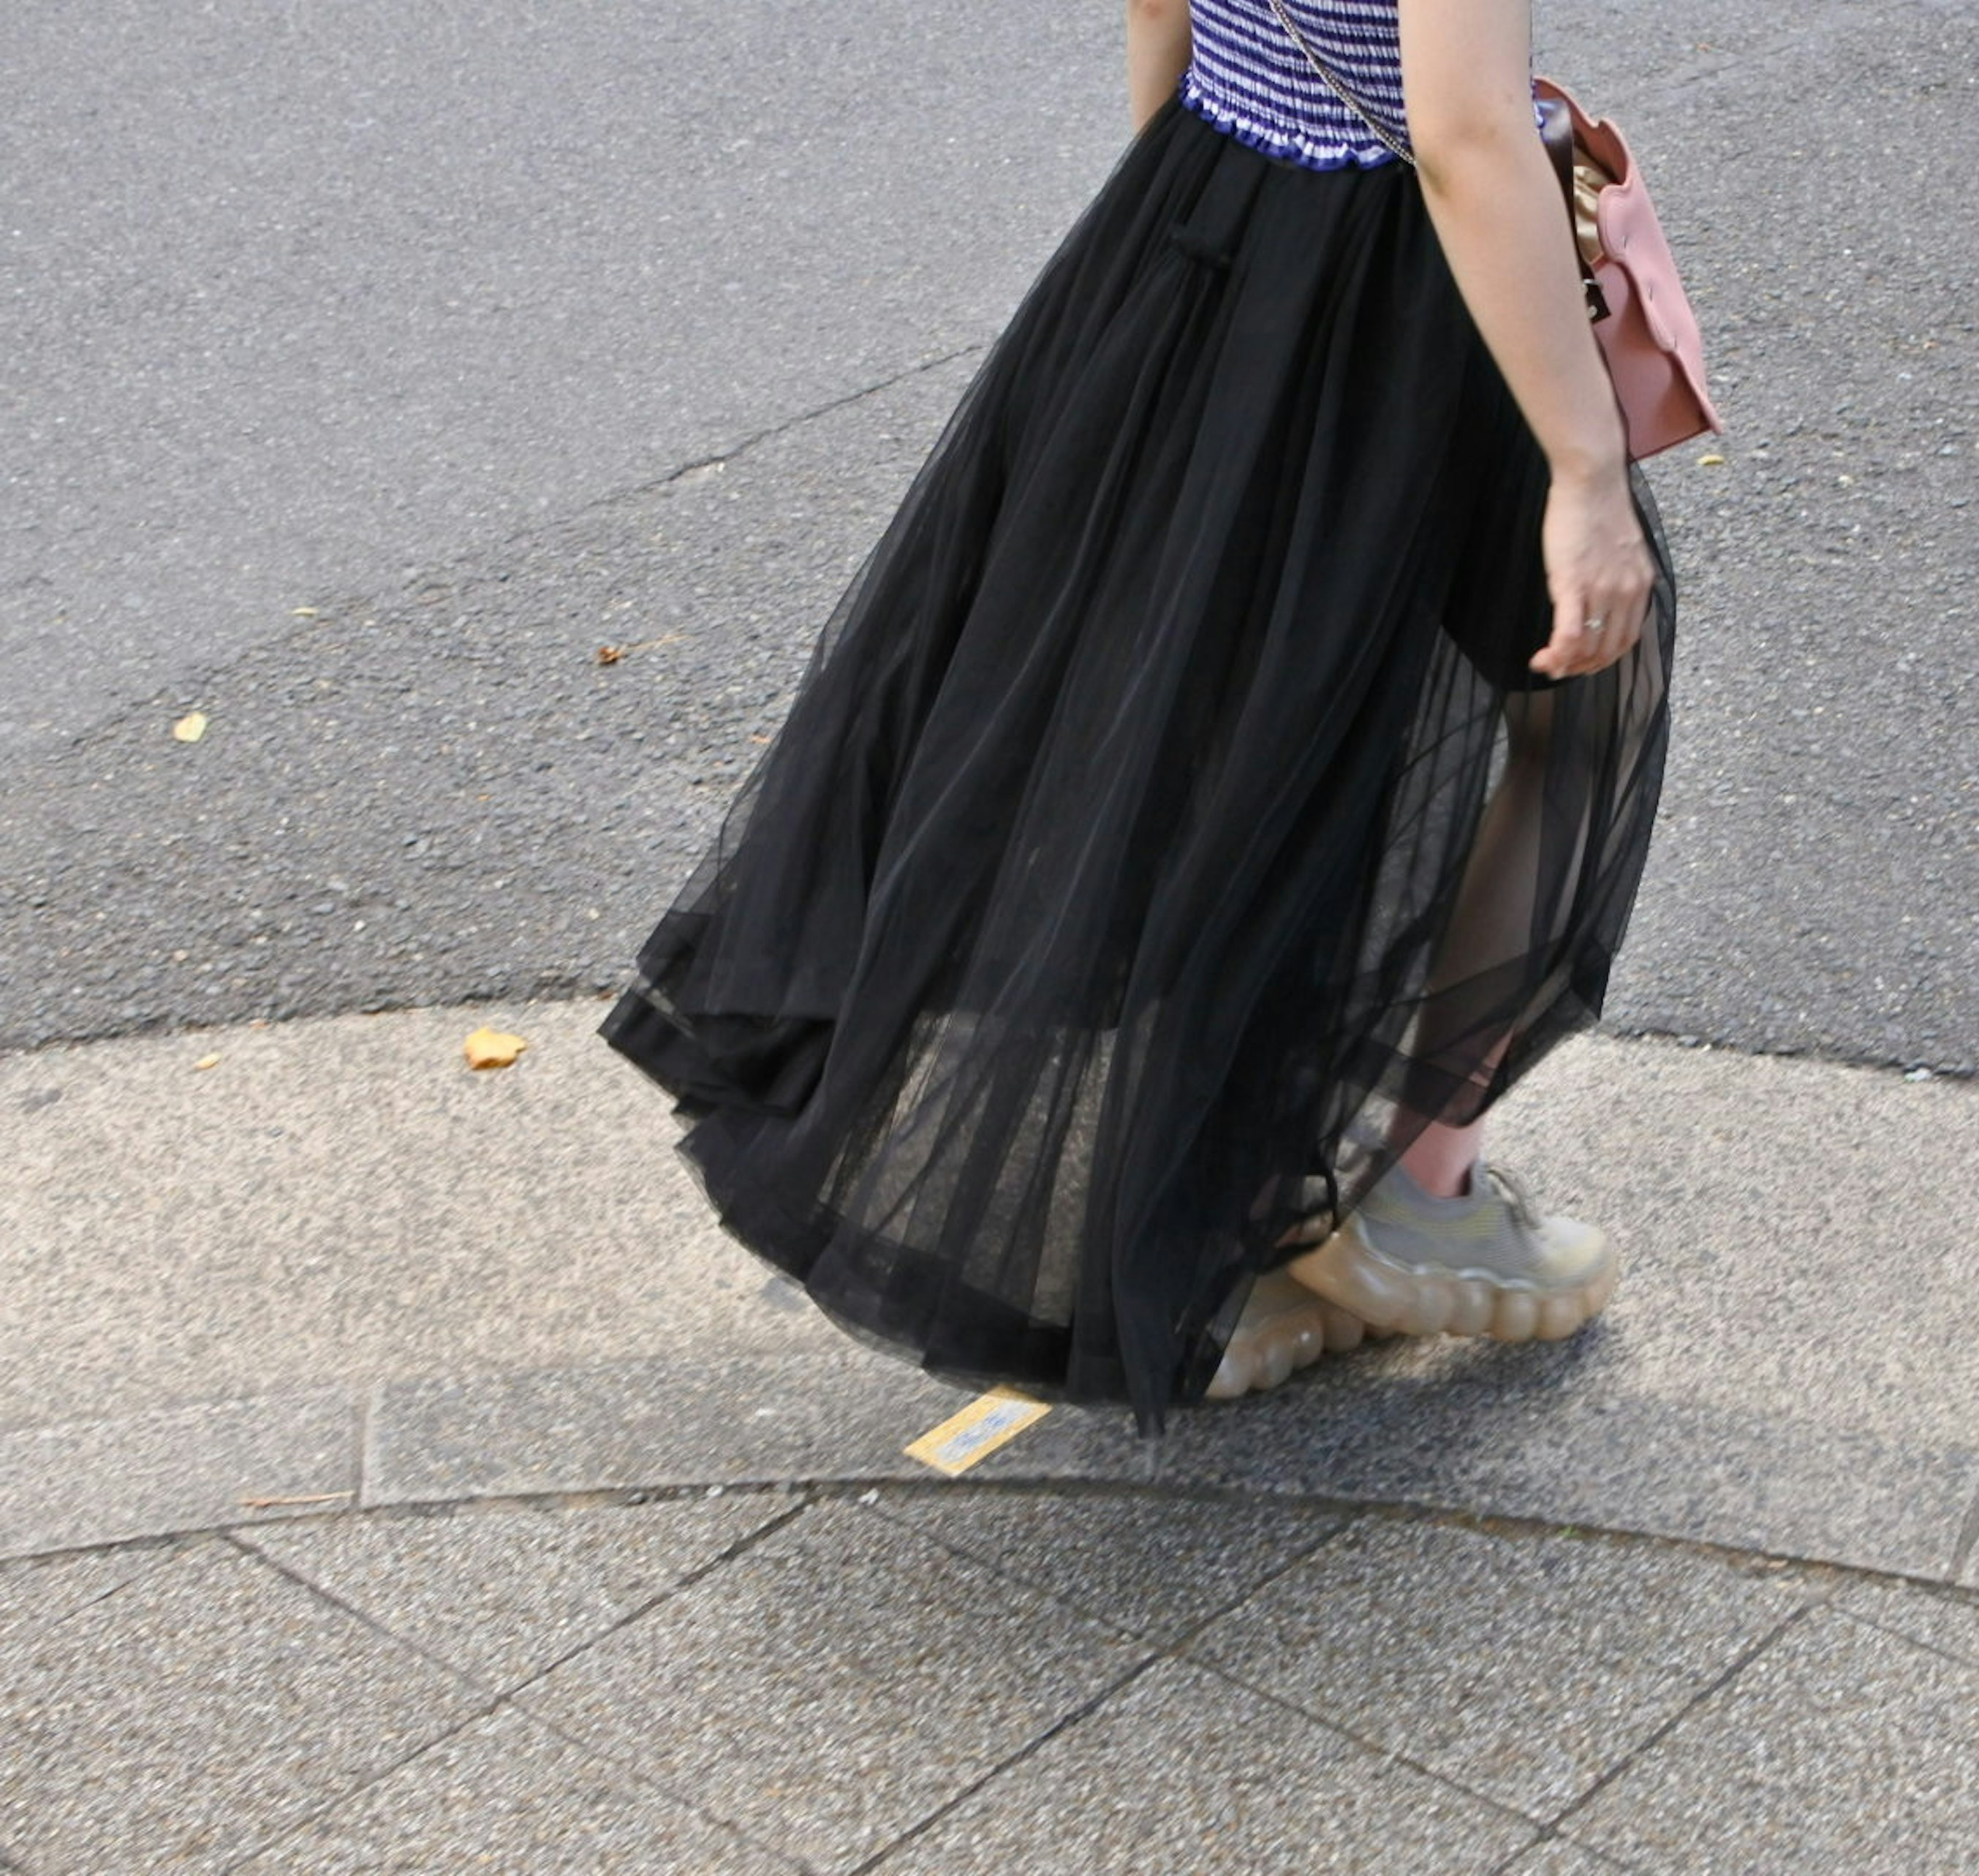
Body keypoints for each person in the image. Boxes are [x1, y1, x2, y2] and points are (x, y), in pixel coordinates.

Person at [600, 0, 1677, 1437]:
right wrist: (1585, 471)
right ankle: (1416, 1192)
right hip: (1395, 274)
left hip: (1202, 208)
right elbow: (1464, 131)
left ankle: (1225, 1242)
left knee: (1242, 708)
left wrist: (1195, 280)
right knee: (1591, 679)